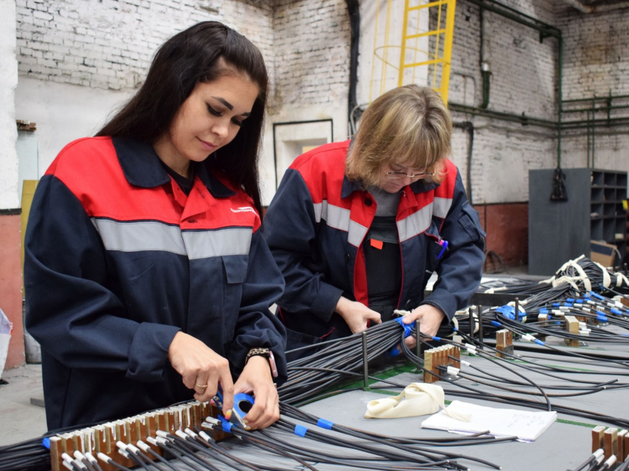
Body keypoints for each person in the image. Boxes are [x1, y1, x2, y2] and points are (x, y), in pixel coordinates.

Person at [24, 21, 287, 431]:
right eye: (215, 110)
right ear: (173, 86)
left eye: (238, 120)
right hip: (110, 426)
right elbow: (60, 314)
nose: (223, 132)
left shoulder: (233, 198)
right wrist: (166, 343)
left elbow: (254, 306)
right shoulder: (82, 174)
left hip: (212, 421)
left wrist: (258, 356)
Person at [262, 85, 485, 360]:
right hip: (318, 345)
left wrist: (440, 306)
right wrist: (337, 303)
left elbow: (466, 250)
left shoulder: (441, 177)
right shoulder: (313, 174)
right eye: (398, 169)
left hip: (400, 341)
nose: (408, 180)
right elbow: (273, 265)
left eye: (419, 171)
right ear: (372, 146)